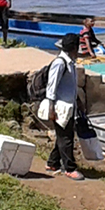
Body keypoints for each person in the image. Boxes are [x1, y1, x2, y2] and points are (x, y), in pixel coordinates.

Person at [43, 34, 82, 180]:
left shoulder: (70, 63)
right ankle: (69, 168)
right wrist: (51, 108)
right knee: (66, 138)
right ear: (73, 48)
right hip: (60, 107)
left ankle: (52, 163)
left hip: (69, 106)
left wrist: (79, 102)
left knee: (62, 136)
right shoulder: (60, 63)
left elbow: (71, 87)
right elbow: (51, 87)